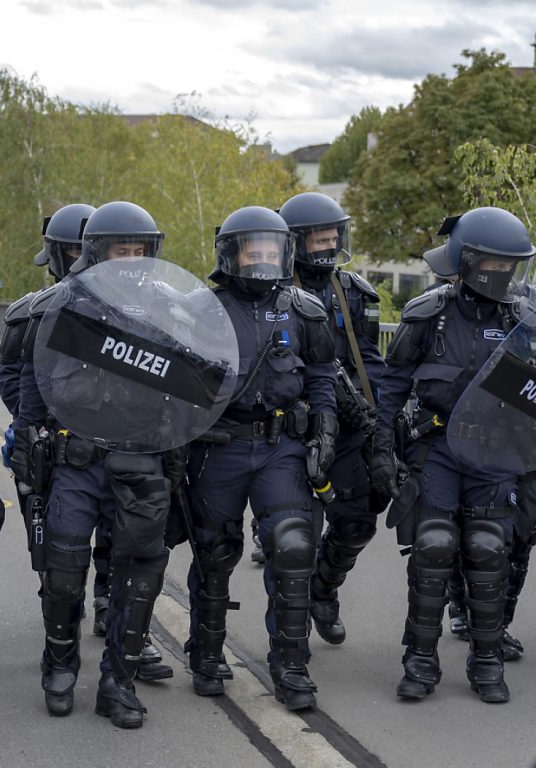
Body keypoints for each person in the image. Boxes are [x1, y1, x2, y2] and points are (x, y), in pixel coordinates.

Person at [16, 201, 174, 729]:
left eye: (137, 250)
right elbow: (33, 389)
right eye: (118, 250)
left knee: (137, 577)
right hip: (76, 462)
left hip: (142, 460)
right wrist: (29, 445)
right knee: (63, 572)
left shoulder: (169, 309)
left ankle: (119, 683)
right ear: (95, 252)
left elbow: (190, 389)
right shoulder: (61, 307)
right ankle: (59, 665)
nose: (128, 259)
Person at [371, 206, 535, 703]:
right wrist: (381, 447)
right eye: (491, 264)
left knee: (489, 550)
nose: (501, 274)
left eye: (510, 265)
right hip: (437, 448)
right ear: (465, 261)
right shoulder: (428, 315)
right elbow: (391, 387)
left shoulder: (524, 322)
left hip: (497, 453)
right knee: (433, 549)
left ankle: (486, 661)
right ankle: (420, 661)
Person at [185, 206, 337, 712]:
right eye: (255, 249)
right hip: (220, 447)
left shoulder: (304, 309)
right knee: (214, 552)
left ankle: (290, 667)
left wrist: (325, 427)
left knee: (294, 548)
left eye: (273, 250)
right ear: (233, 253)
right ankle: (206, 655)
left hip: (281, 448)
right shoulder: (199, 308)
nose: (265, 258)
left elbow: (320, 375)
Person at [278, 193, 385, 645]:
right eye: (319, 238)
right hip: (293, 427)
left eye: (332, 236)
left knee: (359, 520)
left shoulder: (356, 293)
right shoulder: (274, 294)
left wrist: (375, 414)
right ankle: (291, 626)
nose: (328, 244)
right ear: (297, 243)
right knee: (296, 534)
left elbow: (373, 362)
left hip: (345, 429)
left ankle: (324, 589)